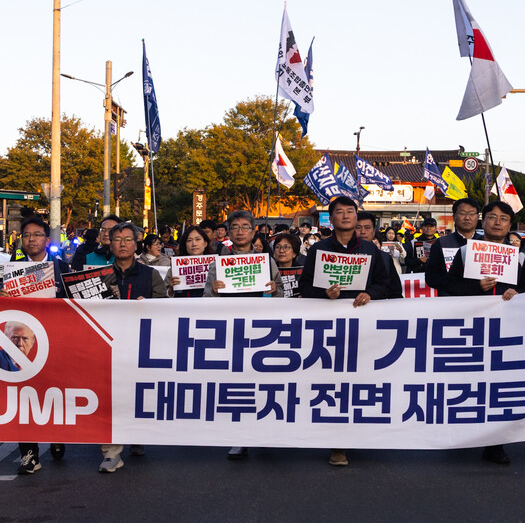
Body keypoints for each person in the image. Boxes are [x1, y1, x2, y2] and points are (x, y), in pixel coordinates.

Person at [299, 196, 390, 468]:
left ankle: (358, 433)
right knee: (332, 382)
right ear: (332, 218)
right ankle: (337, 443)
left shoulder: (370, 250)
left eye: (351, 211)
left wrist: (368, 293)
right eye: (340, 212)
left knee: (360, 379)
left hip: (362, 325)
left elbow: (385, 284)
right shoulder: (318, 250)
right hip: (329, 326)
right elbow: (305, 287)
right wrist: (323, 293)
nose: (346, 216)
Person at [444, 200, 525, 465]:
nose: (497, 222)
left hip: (504, 330)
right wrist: (476, 288)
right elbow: (449, 285)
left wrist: (517, 292)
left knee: (498, 386)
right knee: (467, 382)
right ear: (483, 222)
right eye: (492, 217)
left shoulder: (518, 257)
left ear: (509, 225)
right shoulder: (465, 252)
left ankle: (495, 443)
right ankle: (462, 432)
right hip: (472, 327)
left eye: (503, 218)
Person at [203, 210, 283, 461]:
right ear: (228, 231)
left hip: (261, 330)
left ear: (253, 231)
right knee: (237, 385)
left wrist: (273, 289)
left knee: (263, 384)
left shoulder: (267, 262)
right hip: (231, 330)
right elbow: (206, 299)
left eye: (245, 227)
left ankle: (264, 432)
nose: (240, 231)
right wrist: (214, 291)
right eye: (234, 227)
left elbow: (281, 294)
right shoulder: (218, 263)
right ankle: (238, 437)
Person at [0, 216, 72, 474]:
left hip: (55, 341)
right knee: (24, 396)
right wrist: (1, 298)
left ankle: (57, 435)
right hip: (24, 346)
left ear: (47, 240)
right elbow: (2, 308)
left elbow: (75, 302)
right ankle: (29, 454)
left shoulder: (63, 268)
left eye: (37, 234)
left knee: (53, 394)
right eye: (26, 235)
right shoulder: (13, 267)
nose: (31, 239)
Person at [99, 221, 168, 474]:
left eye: (128, 239)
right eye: (117, 239)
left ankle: (136, 433)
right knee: (111, 396)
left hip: (141, 346)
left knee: (138, 395)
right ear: (110, 243)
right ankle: (111, 453)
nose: (123, 244)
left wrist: (148, 305)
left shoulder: (150, 274)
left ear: (137, 244)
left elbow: (164, 306)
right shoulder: (99, 275)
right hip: (108, 345)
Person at [425, 198, 481, 296]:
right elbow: (431, 277)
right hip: (450, 301)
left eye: (472, 213)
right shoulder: (441, 243)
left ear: (477, 217)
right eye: (463, 213)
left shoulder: (486, 243)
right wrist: (455, 285)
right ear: (454, 217)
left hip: (482, 302)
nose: (467, 218)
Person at [357, 212, 402, 299]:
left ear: (373, 232)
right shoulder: (343, 255)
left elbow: (395, 291)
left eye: (367, 228)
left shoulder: (384, 257)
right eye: (358, 228)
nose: (363, 232)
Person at [166, 226, 216, 298]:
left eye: (198, 239)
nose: (194, 244)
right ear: (185, 245)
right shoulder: (175, 268)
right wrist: (171, 289)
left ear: (205, 243)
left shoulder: (215, 265)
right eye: (189, 240)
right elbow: (162, 295)